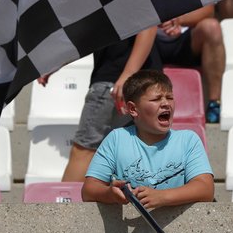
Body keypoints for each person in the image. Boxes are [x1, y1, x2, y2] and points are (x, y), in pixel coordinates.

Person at [82, 69, 214, 208]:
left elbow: (206, 189)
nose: (166, 103)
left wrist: (162, 197)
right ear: (133, 109)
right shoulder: (116, 139)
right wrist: (110, 194)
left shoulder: (188, 140)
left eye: (169, 97)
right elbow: (89, 190)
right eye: (156, 99)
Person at [58, 27, 161, 182]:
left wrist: (128, 74)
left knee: (84, 152)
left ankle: (67, 199)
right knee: (134, 158)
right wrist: (56, 63)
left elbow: (149, 25)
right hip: (144, 84)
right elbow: (87, 36)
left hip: (115, 82)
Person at [154, 4, 225, 124]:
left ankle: (214, 104)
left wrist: (179, 21)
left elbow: (208, 10)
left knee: (212, 27)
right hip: (148, 39)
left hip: (186, 37)